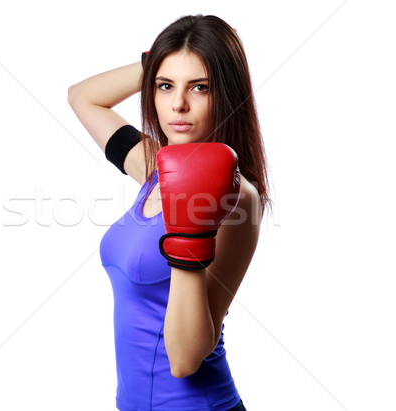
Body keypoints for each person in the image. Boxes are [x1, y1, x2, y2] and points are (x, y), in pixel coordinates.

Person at [68, 14, 271, 411]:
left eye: (199, 87)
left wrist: (188, 237)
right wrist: (157, 59)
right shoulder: (155, 167)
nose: (178, 104)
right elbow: (82, 96)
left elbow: (184, 359)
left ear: (226, 95)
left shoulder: (236, 196)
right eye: (165, 86)